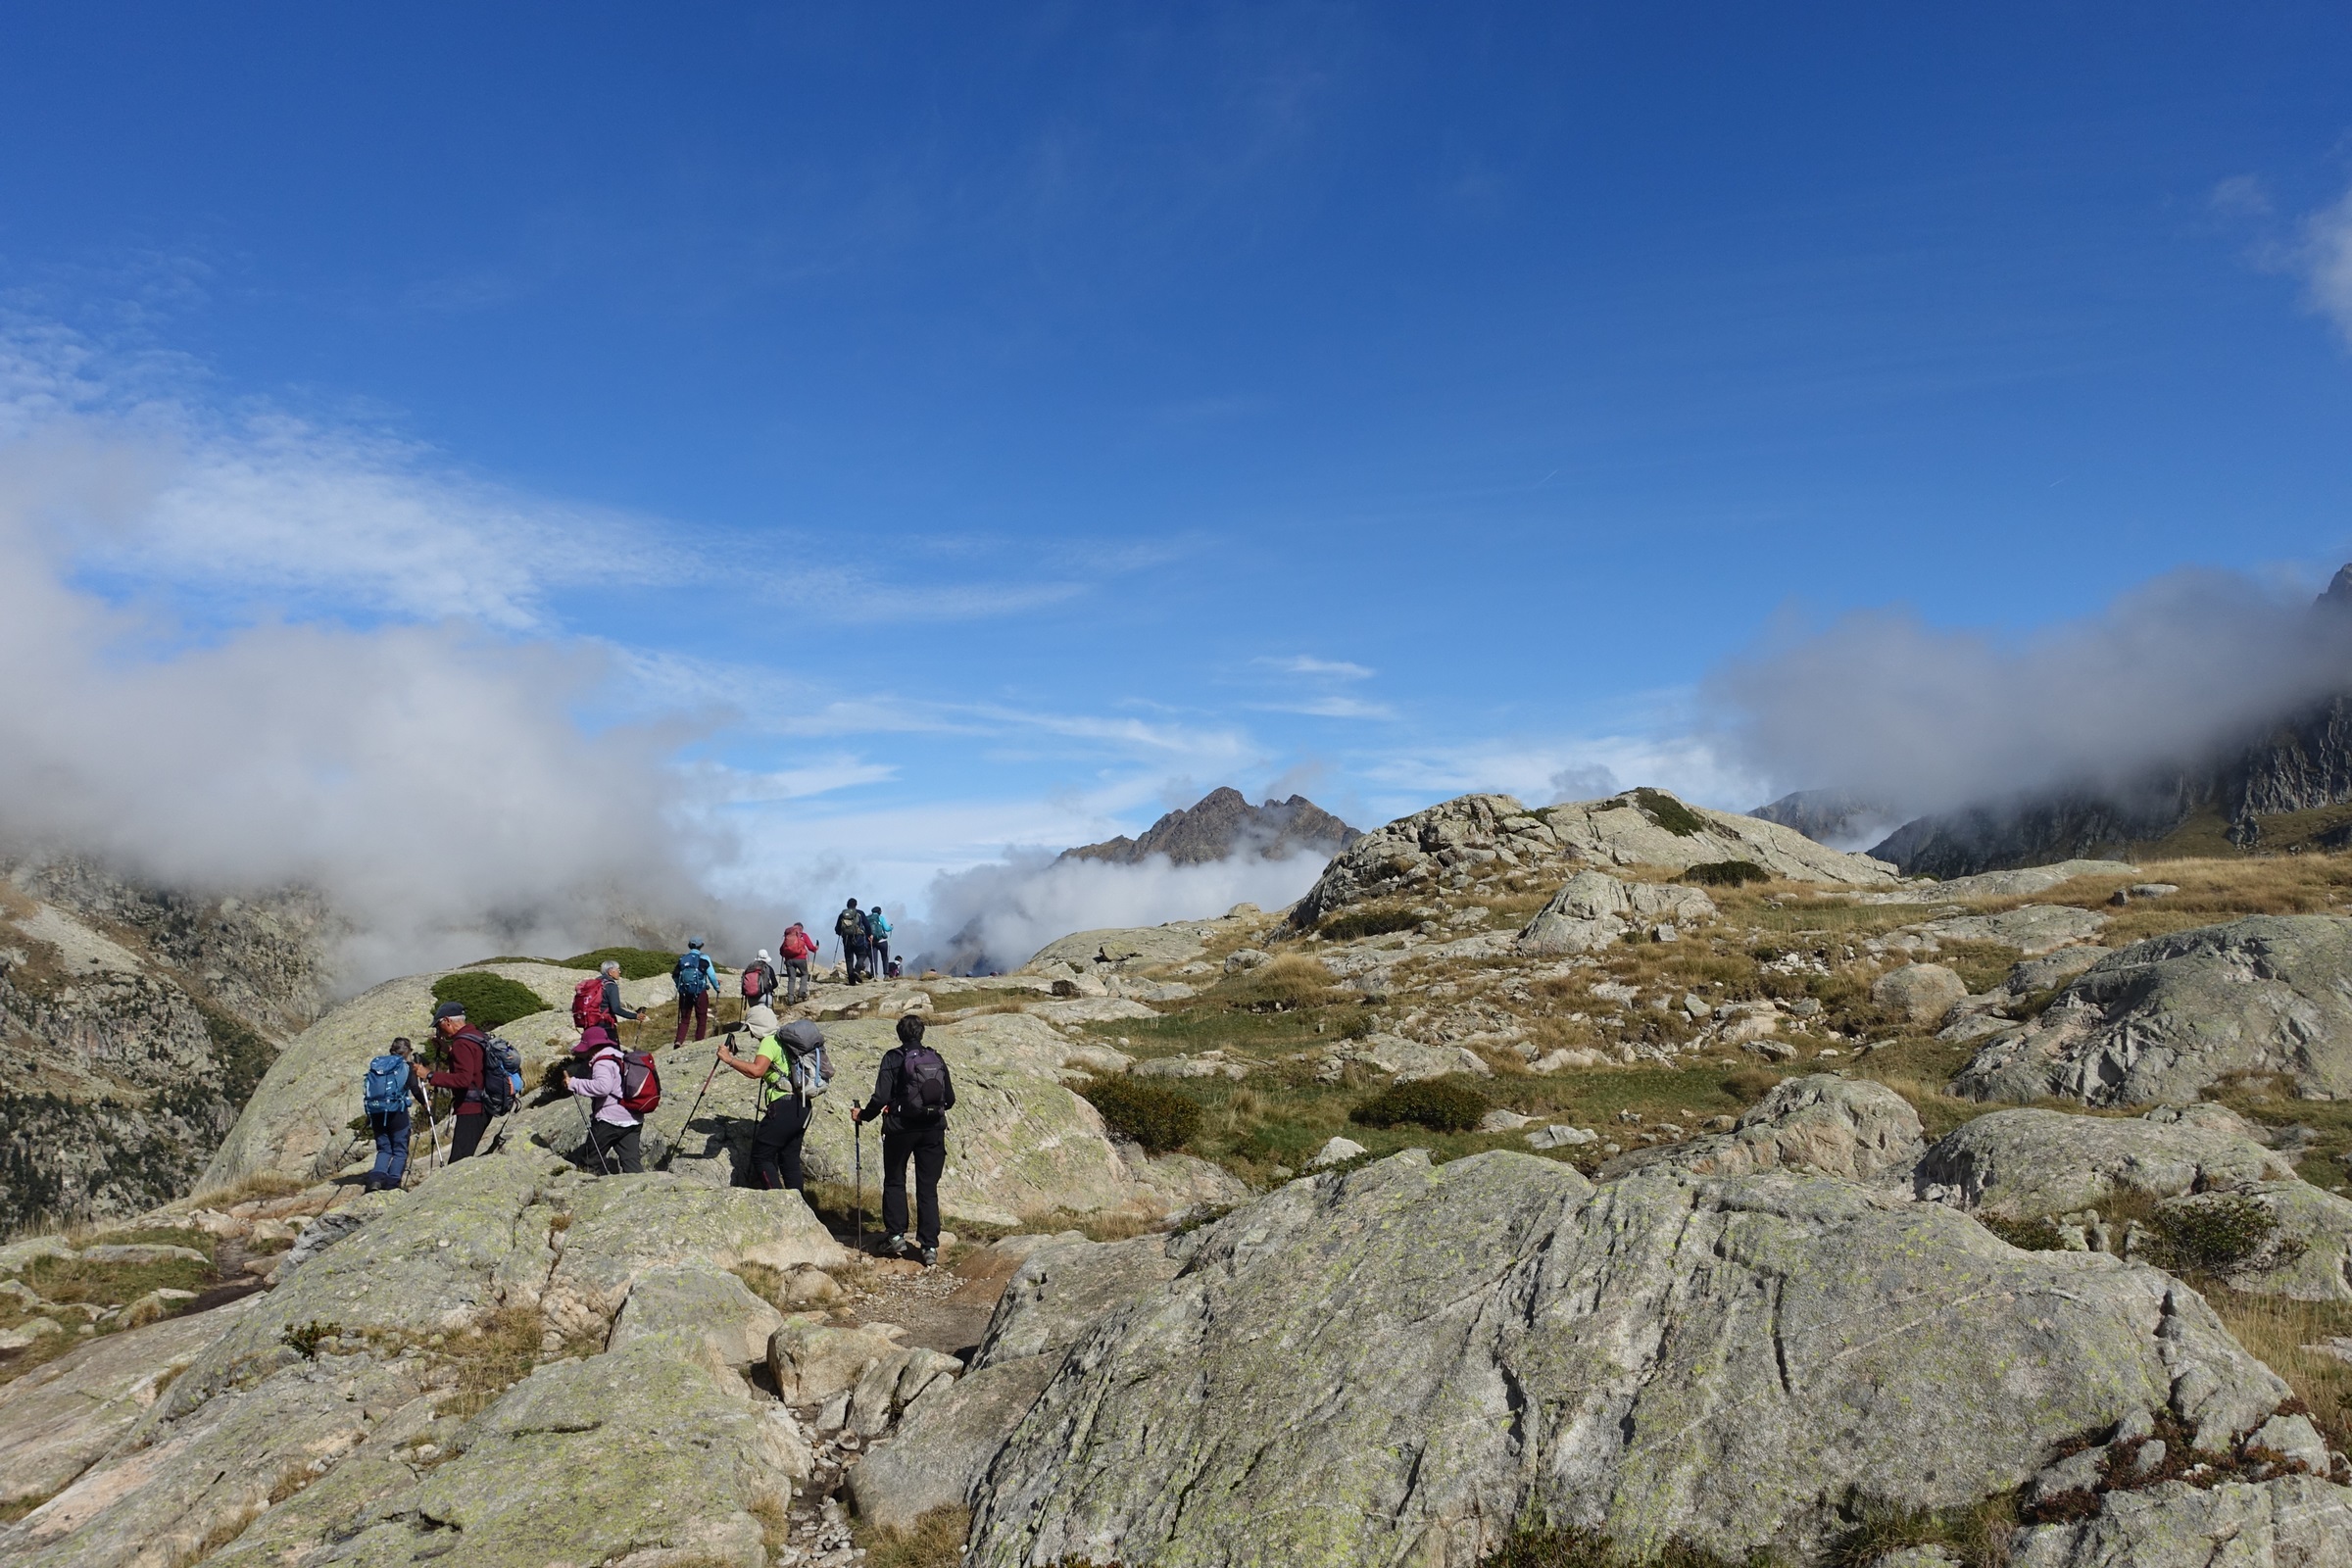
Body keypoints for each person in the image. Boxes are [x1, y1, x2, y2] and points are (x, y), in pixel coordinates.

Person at [851, 1013, 956, 1265]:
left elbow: (880, 1097)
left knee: (896, 1180)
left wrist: (863, 1115)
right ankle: (929, 1247)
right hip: (933, 1129)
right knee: (927, 1188)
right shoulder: (935, 1058)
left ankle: (896, 1235)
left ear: (899, 1034)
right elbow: (949, 1100)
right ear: (921, 1034)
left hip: (900, 1129)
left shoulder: (893, 1058)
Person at [717, 1004, 828, 1192]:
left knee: (761, 1157)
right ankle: (799, 1206)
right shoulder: (784, 1039)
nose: (751, 1035)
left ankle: (777, 1202)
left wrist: (729, 1060)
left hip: (783, 1108)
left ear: (756, 1027)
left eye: (751, 1030)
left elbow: (756, 1071)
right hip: (801, 1106)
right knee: (789, 1159)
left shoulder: (768, 1042)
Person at [566, 1023, 645, 1174]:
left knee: (590, 1162)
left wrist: (573, 1083)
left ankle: (591, 1192)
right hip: (633, 1118)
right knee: (631, 1162)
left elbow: (603, 1087)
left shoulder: (602, 1062)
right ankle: (645, 1193)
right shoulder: (621, 1056)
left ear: (592, 1046)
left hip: (609, 1120)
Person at [360, 1037, 430, 1191]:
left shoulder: (379, 1065)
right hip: (396, 1113)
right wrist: (425, 1103)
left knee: (384, 1148)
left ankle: (375, 1181)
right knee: (399, 1149)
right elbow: (415, 1088)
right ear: (407, 1052)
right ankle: (392, 1185)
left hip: (377, 1111)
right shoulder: (406, 1066)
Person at [426, 1002, 493, 1163]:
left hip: (471, 1108)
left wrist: (430, 1075)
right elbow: (474, 1066)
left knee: (459, 1161)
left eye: (439, 1025)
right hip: (484, 1103)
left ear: (447, 1020)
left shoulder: (461, 1043)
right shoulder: (477, 1035)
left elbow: (463, 1080)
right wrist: (449, 1052)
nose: (439, 1031)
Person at [673, 937, 717, 1044]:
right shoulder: (704, 958)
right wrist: (717, 988)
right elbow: (711, 975)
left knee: (684, 1019)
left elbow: (675, 975)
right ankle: (698, 1041)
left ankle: (679, 1041)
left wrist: (681, 987)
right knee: (701, 1017)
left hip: (685, 993)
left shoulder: (683, 959)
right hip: (700, 992)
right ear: (701, 946)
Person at [597, 958, 642, 1035]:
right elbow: (616, 1009)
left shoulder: (596, 982)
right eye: (617, 969)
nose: (619, 972)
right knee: (612, 1046)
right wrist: (635, 1016)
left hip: (590, 1022)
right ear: (610, 972)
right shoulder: (611, 986)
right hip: (605, 1024)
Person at [779, 922, 816, 1003]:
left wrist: (785, 955)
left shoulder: (788, 936)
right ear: (801, 928)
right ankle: (801, 993)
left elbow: (782, 950)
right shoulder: (803, 935)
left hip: (789, 960)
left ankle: (790, 999)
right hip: (800, 959)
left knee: (791, 979)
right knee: (804, 974)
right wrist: (815, 948)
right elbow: (811, 947)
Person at [835, 900, 868, 985]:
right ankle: (857, 970)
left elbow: (837, 929)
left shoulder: (842, 915)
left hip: (846, 940)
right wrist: (869, 934)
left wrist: (842, 933)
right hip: (859, 938)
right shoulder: (860, 913)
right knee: (862, 955)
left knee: (849, 959)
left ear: (847, 905)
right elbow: (867, 925)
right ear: (856, 905)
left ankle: (851, 980)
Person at [866, 906, 893, 979]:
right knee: (885, 957)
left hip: (872, 941)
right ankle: (886, 974)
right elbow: (887, 929)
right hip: (882, 941)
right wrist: (891, 927)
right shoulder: (881, 918)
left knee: (873, 959)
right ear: (879, 912)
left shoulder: (867, 918)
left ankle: (874, 974)